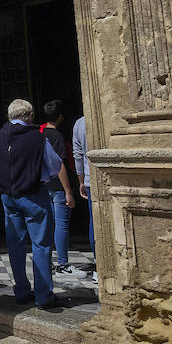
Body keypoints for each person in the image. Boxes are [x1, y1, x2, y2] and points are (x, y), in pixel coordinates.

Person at [0, 99, 67, 312]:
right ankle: (44, 294)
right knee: (40, 244)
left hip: (8, 196)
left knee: (15, 243)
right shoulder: (36, 137)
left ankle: (21, 290)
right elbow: (54, 165)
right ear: (30, 115)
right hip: (33, 194)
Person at [38, 101, 79, 276]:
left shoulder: (38, 134)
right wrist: (68, 191)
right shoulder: (56, 136)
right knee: (61, 225)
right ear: (60, 117)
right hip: (57, 186)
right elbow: (60, 164)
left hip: (43, 184)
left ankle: (46, 262)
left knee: (47, 224)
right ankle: (62, 263)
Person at [72, 114, 97, 284]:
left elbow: (78, 154)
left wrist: (80, 180)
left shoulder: (80, 123)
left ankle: (98, 265)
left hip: (89, 179)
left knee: (94, 222)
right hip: (102, 176)